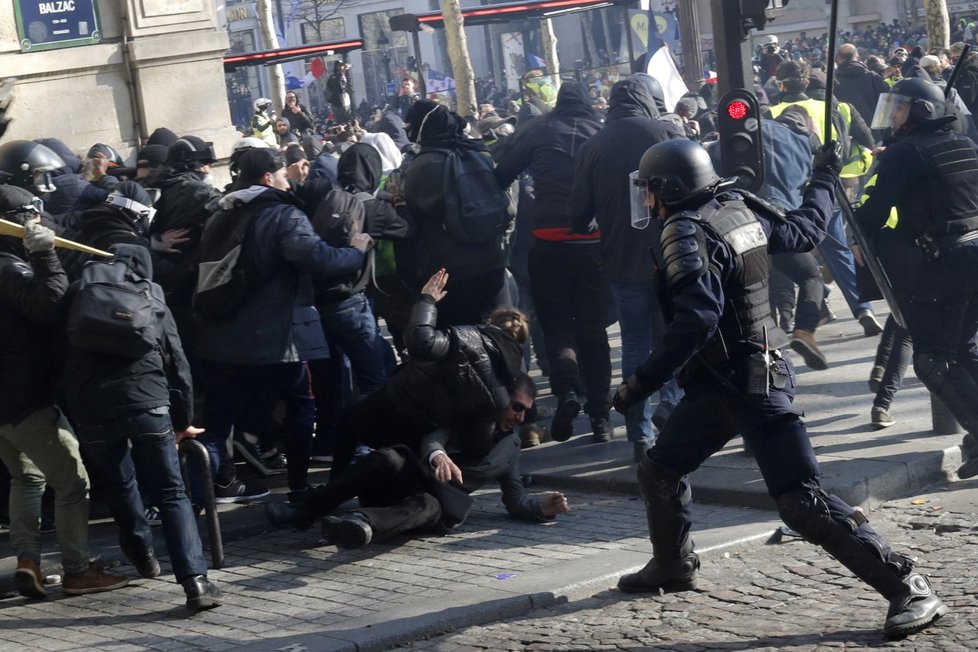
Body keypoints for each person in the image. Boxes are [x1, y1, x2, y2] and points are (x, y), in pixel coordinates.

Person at [613, 138, 947, 639]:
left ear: (668, 189)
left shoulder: (684, 230)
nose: (647, 202)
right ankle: (673, 564)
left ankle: (908, 586)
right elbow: (806, 229)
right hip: (720, 385)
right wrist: (821, 180)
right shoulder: (736, 206)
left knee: (800, 500)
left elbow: (697, 320)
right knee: (660, 468)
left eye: (650, 191)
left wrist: (640, 382)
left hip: (752, 387)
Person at [194, 148, 371, 502]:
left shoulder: (220, 214)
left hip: (221, 338)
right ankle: (299, 486)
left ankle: (196, 501)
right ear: (267, 178)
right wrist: (356, 250)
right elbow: (318, 259)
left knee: (216, 425)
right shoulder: (282, 214)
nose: (288, 180)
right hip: (277, 339)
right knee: (302, 408)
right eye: (282, 174)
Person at [63, 243, 222, 611]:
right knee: (171, 492)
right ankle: (195, 581)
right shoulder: (151, 292)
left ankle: (142, 554)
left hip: (91, 406)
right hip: (148, 402)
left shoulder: (77, 290)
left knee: (120, 482)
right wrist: (183, 420)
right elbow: (175, 358)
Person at [0, 192, 129, 599]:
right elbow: (50, 304)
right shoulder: (6, 266)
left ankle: (28, 562)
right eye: (32, 216)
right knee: (73, 483)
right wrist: (44, 257)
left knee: (27, 476)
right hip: (25, 398)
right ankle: (76, 570)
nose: (40, 220)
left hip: (5, 404)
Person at [265, 374, 569, 547]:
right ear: (502, 400)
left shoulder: (511, 446)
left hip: (435, 502)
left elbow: (514, 498)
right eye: (516, 407)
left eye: (525, 412)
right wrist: (439, 456)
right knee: (388, 457)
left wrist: (541, 508)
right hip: (408, 477)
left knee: (427, 504)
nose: (519, 416)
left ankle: (360, 524)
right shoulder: (470, 418)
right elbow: (434, 437)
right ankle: (305, 511)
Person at [854, 77, 978, 480]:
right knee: (965, 350)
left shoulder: (905, 153)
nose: (894, 116)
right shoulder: (964, 143)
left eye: (900, 108)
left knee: (932, 359)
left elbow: (872, 215)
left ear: (921, 111)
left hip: (948, 261)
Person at [567, 74, 686, 462]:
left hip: (622, 259)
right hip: (671, 254)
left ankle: (639, 433)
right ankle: (674, 406)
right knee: (673, 337)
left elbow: (577, 216)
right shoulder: (666, 131)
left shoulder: (593, 146)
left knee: (634, 343)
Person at [494, 81, 612, 443]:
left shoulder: (542, 130)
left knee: (557, 326)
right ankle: (601, 419)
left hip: (548, 243)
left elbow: (502, 173)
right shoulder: (602, 132)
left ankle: (568, 392)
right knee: (593, 331)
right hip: (593, 244)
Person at [329, 268, 528, 473]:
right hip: (429, 431)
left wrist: (427, 300)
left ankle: (331, 488)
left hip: (398, 405)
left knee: (352, 421)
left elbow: (421, 341)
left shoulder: (466, 338)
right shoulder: (509, 380)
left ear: (489, 322)